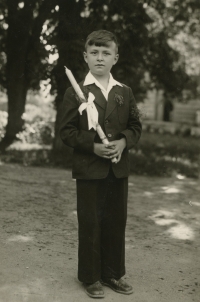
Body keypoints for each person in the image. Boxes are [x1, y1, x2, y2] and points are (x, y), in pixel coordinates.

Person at [60, 30, 142, 298]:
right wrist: (93, 146)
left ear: (115, 58)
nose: (99, 57)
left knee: (116, 221)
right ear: (85, 56)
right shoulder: (76, 92)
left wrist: (123, 143)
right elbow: (66, 131)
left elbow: (135, 127)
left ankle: (113, 274)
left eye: (106, 53)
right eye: (94, 52)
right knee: (91, 222)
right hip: (89, 169)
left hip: (118, 168)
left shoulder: (125, 92)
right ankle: (91, 277)